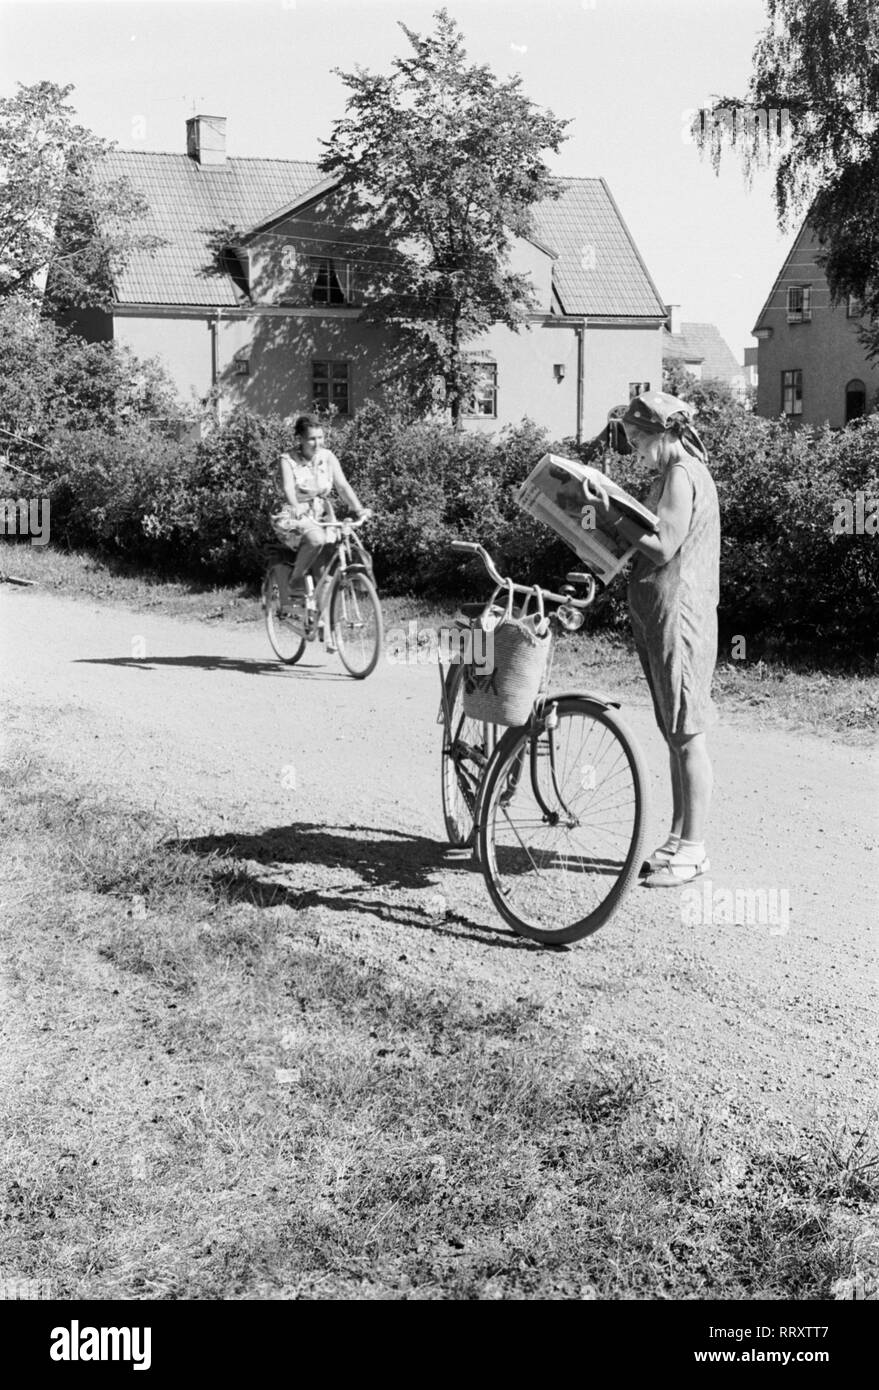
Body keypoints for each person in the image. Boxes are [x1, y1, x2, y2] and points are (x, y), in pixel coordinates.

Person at [582, 390, 720, 888]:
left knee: (686, 734)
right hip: (661, 613)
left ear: (665, 434)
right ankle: (678, 838)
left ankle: (694, 849)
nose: (636, 449)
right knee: (673, 730)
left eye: (640, 440)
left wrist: (611, 512)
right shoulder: (672, 473)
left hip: (680, 616)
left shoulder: (682, 474)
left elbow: (663, 547)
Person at [271, 414, 369, 628]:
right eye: (312, 439)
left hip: (322, 513)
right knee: (316, 539)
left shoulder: (328, 457)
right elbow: (288, 488)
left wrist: (359, 509)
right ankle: (295, 580)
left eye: (321, 437)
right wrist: (296, 506)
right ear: (300, 439)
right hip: (295, 514)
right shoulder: (287, 459)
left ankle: (322, 619)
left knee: (328, 563)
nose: (318, 443)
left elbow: (342, 486)